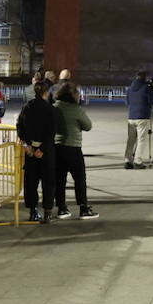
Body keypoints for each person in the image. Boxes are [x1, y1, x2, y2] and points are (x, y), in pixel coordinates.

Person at [53, 83, 99, 220]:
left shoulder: (54, 107)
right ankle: (83, 208)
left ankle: (61, 208)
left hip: (57, 147)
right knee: (79, 179)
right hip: (73, 147)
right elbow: (88, 126)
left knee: (59, 179)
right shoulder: (76, 109)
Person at [18, 82, 58, 222]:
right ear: (46, 92)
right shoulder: (50, 109)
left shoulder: (27, 107)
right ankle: (47, 211)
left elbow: (20, 126)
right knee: (48, 182)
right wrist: (43, 149)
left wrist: (26, 145)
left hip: (30, 149)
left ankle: (33, 210)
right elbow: (51, 131)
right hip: (45, 151)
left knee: (31, 182)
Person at [124, 71, 153, 169]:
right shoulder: (146, 88)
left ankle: (127, 160)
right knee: (141, 140)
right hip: (142, 116)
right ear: (144, 78)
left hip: (131, 117)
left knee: (131, 140)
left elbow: (127, 102)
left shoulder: (130, 89)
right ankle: (138, 161)